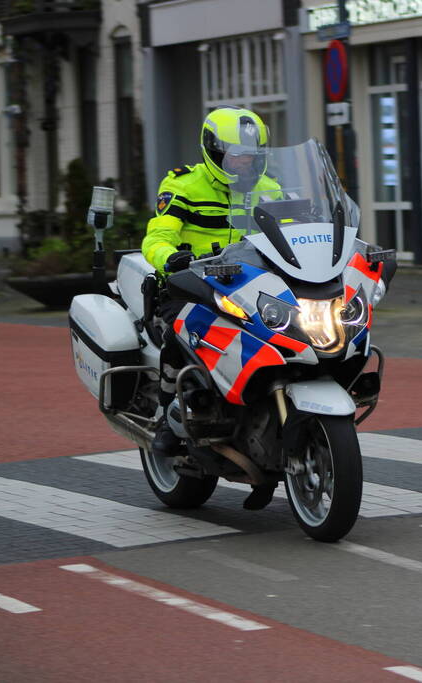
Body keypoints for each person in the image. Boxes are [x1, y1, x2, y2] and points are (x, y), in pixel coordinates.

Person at [143, 106, 281, 509]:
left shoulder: (270, 189)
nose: (245, 163)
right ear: (214, 153)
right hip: (191, 284)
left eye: (252, 157)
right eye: (237, 156)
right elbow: (157, 236)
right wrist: (170, 258)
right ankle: (169, 411)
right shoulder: (185, 186)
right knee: (183, 330)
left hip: (249, 287)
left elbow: (299, 236)